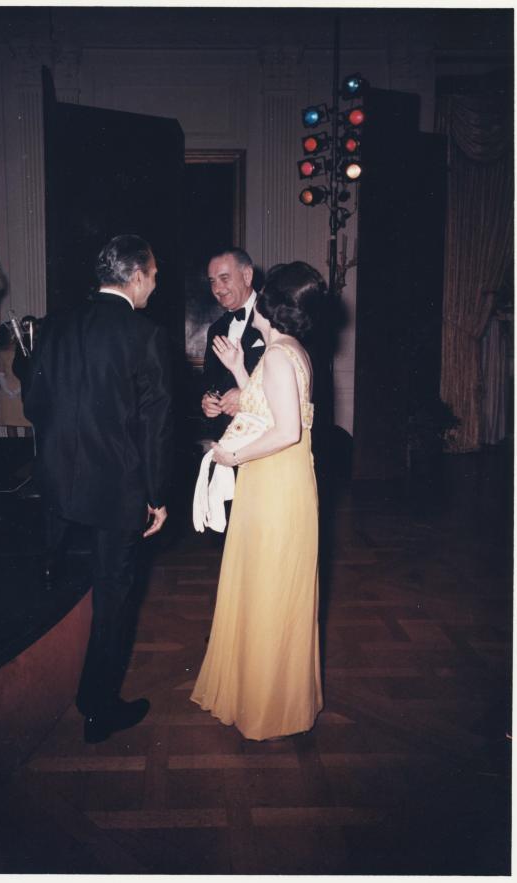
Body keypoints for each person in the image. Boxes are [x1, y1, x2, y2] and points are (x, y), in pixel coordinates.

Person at [23, 234, 173, 744]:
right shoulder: (145, 333)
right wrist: (155, 496)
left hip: (58, 479)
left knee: (50, 571)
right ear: (134, 277)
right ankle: (97, 708)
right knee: (112, 599)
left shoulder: (57, 325)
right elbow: (155, 428)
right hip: (118, 488)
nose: (156, 282)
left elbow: (34, 400)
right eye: (153, 274)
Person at [190, 261, 325, 741]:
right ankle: (269, 697)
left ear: (269, 301)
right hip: (276, 484)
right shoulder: (287, 351)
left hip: (274, 489)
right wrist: (235, 369)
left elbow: (286, 431)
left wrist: (232, 457)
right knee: (267, 588)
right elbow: (267, 406)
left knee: (269, 590)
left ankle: (269, 708)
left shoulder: (280, 356)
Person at [200, 248, 265, 440]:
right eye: (212, 281)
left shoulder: (274, 317)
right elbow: (211, 380)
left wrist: (246, 396)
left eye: (224, 278)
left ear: (247, 275)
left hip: (263, 437)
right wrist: (207, 400)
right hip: (225, 437)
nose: (217, 289)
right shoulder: (216, 329)